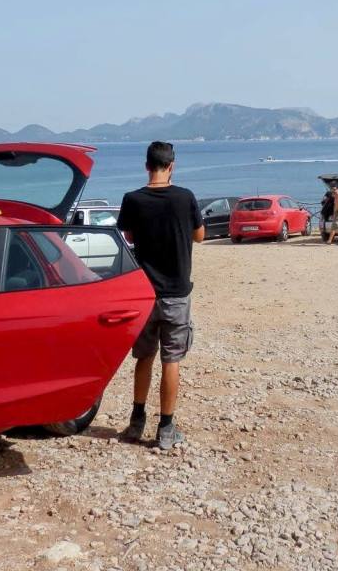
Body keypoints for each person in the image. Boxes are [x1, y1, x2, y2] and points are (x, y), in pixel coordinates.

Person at [116, 141, 205, 450]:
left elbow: (127, 236)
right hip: (177, 293)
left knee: (144, 356)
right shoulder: (185, 198)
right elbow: (200, 235)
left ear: (146, 166)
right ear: (172, 166)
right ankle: (166, 429)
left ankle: (136, 422)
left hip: (143, 293)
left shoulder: (132, 200)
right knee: (172, 359)